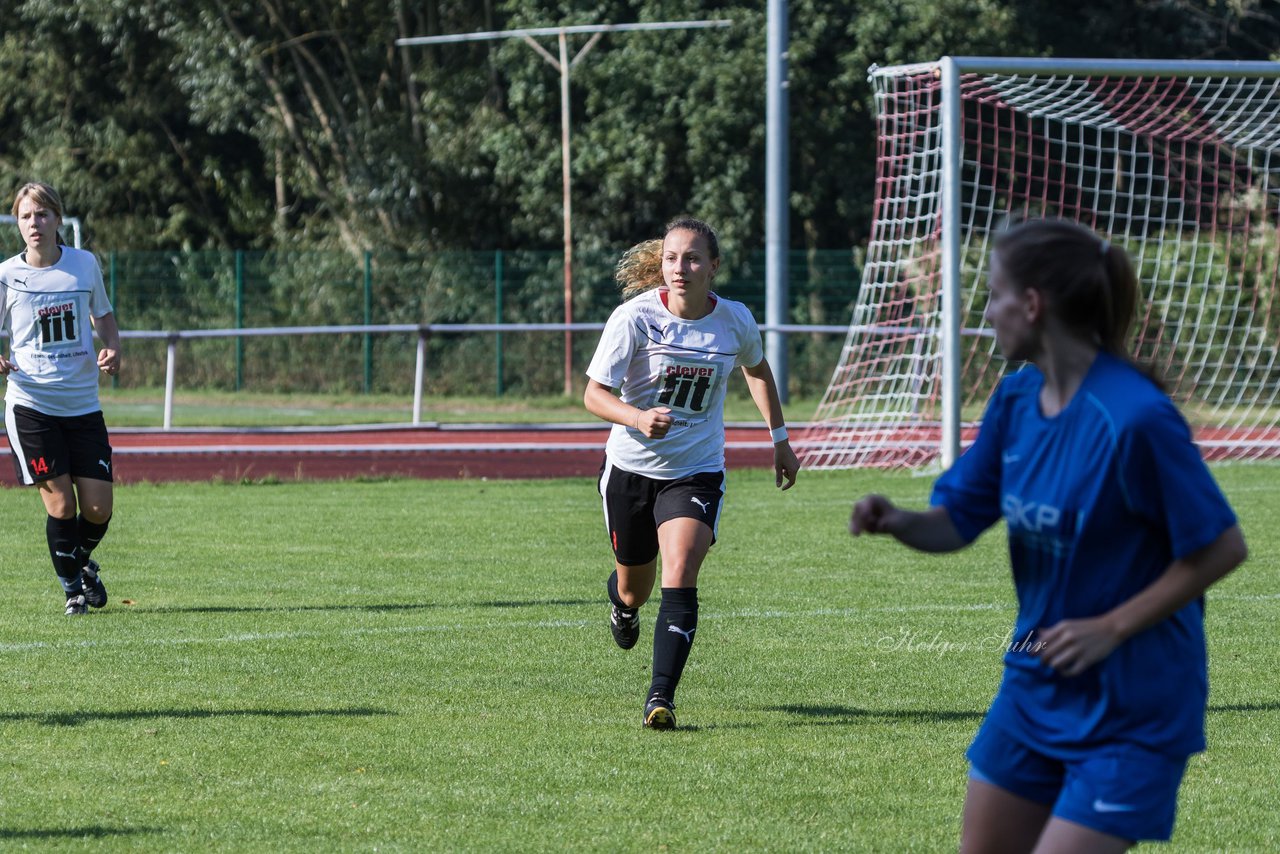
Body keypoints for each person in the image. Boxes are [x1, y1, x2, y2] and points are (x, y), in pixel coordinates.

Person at [849, 218, 1247, 851]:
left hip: (1133, 707)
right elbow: (959, 521)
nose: (987, 311)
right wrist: (899, 521)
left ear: (1031, 305)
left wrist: (1110, 627)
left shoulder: (1135, 417)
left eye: (995, 293)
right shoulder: (1016, 400)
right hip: (1034, 682)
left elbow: (1222, 547)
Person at [585, 217, 800, 729]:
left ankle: (660, 698)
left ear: (714, 266)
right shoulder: (634, 318)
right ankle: (621, 603)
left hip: (696, 471)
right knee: (635, 587)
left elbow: (757, 369)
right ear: (661, 265)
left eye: (694, 258)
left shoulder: (734, 320)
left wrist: (780, 440)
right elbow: (594, 395)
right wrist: (638, 418)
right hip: (631, 469)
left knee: (681, 571)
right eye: (672, 258)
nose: (681, 268)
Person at [1, 182, 122, 616]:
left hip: (83, 405)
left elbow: (103, 315)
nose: (35, 223)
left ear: (57, 219)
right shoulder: (6, 275)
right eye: (26, 216)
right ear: (18, 223)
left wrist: (112, 346)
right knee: (61, 504)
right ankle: (73, 590)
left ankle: (82, 563)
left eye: (43, 214)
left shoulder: (84, 265)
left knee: (97, 509)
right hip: (31, 406)